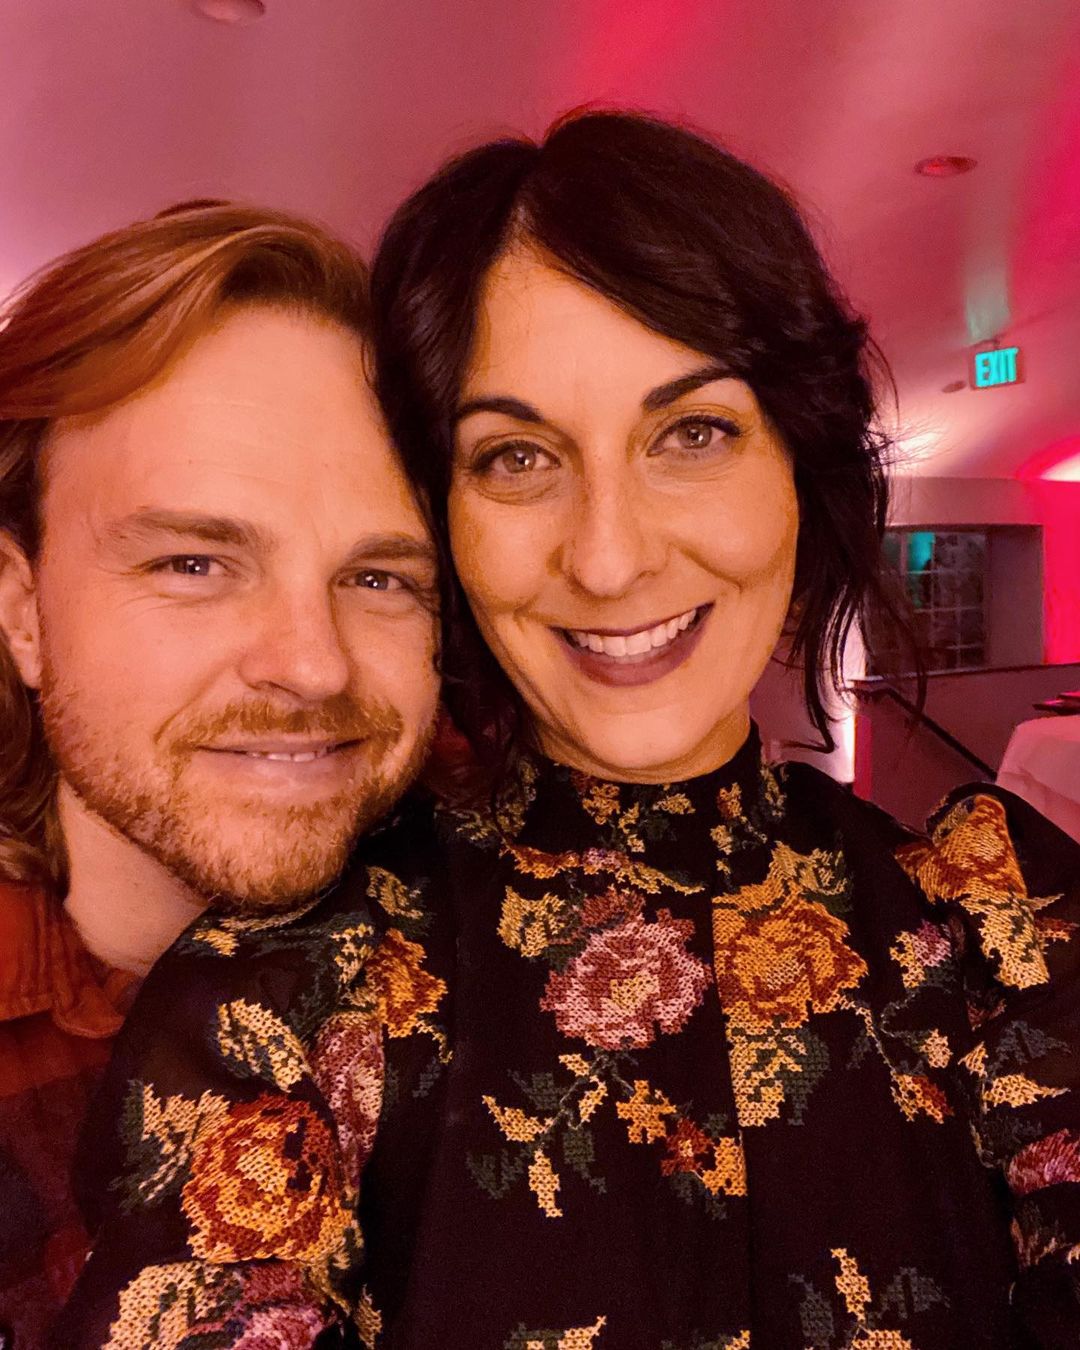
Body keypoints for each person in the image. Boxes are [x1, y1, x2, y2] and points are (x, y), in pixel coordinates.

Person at [62, 113, 1080, 1349]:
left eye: (693, 434)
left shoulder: (1000, 925)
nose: (608, 558)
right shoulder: (291, 994)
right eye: (516, 456)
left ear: (797, 476)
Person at [0, 202, 440, 1348]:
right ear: (21, 610)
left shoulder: (538, 978)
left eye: (380, 578)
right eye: (195, 562)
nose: (312, 663)